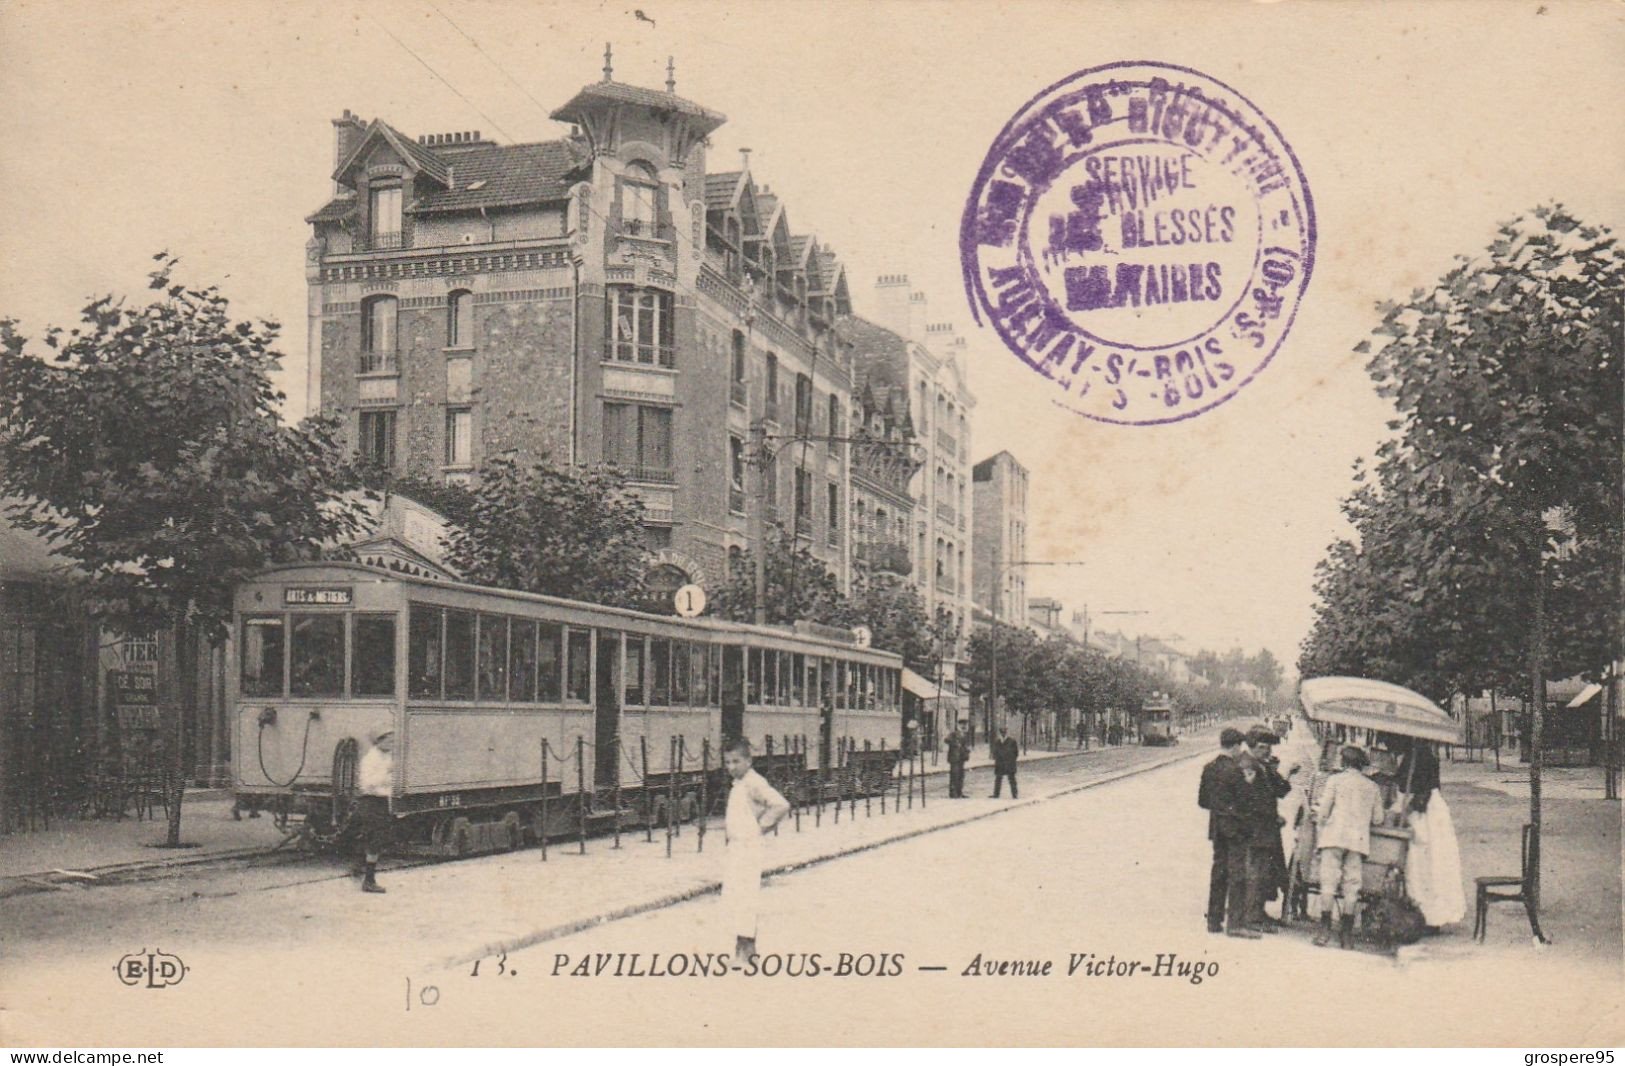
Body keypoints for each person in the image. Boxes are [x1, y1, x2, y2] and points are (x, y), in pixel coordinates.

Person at [721, 737, 790, 964]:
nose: (731, 767)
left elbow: (780, 804)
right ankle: (740, 951)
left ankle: (748, 954)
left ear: (749, 761)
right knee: (736, 898)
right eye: (728, 762)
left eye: (736, 762)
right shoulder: (740, 783)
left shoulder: (754, 782)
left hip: (748, 848)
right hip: (737, 847)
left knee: (745, 897)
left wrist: (759, 828)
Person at [1310, 744, 1386, 948]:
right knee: (1352, 886)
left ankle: (1324, 930)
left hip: (1333, 837)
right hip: (1357, 841)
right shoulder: (1372, 787)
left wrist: (1319, 818)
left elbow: (1323, 811)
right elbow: (1378, 819)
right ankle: (1346, 935)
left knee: (1328, 883)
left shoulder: (1334, 781)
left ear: (1344, 762)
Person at [1392, 736, 1465, 929]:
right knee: (1429, 863)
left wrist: (1406, 810)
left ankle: (1428, 915)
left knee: (1423, 863)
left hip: (1425, 813)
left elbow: (1422, 791)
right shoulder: (1418, 755)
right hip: (1428, 809)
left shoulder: (1421, 757)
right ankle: (1427, 915)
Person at [1244, 727, 1297, 928]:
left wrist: (1286, 773)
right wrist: (1272, 817)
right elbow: (1252, 801)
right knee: (1255, 872)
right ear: (1251, 747)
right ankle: (1251, 917)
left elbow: (1279, 791)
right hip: (1256, 829)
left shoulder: (1261, 765)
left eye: (1269, 747)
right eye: (1263, 747)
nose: (1267, 751)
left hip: (1265, 829)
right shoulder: (1248, 766)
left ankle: (1259, 912)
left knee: (1265, 872)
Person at [1198, 728, 1249, 935]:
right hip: (1235, 828)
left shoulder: (1209, 768)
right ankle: (1235, 925)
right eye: (1240, 746)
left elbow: (1202, 801)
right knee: (1237, 874)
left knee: (1218, 872)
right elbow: (1244, 802)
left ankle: (1214, 920)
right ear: (1235, 745)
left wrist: (1219, 809)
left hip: (1217, 828)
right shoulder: (1235, 771)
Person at [353, 729, 396, 894]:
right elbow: (368, 783)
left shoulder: (385, 756)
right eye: (389, 741)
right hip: (371, 801)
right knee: (374, 839)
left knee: (375, 838)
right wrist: (387, 774)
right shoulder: (371, 759)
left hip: (380, 801)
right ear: (379, 741)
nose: (392, 744)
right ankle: (368, 880)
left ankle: (361, 871)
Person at [991, 724, 1019, 798]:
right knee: (998, 779)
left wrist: (1011, 760)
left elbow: (1016, 753)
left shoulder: (1012, 741)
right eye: (1002, 733)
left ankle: (1014, 794)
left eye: (1004, 733)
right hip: (1000, 763)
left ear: (1006, 733)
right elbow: (995, 752)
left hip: (1009, 763)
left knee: (1012, 779)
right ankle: (996, 794)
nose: (1003, 734)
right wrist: (996, 758)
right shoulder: (997, 741)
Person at [945, 720, 970, 798]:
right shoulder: (953, 734)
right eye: (962, 724)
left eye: (965, 724)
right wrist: (955, 744)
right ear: (958, 725)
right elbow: (946, 740)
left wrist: (967, 751)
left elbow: (964, 745)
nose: (964, 726)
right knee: (954, 775)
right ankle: (953, 793)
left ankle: (959, 792)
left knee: (961, 775)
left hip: (961, 758)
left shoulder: (964, 734)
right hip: (954, 757)